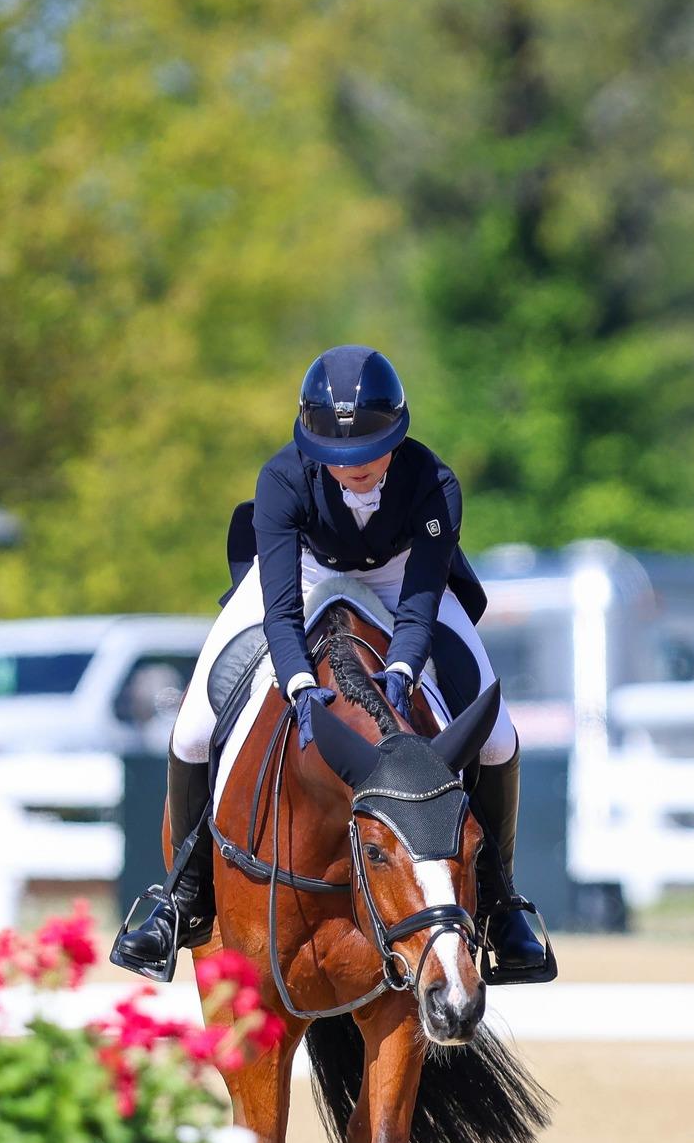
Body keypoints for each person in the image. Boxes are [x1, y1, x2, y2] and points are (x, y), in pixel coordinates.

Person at [114, 344, 556, 985]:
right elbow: (283, 608)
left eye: (369, 451)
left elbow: (422, 602)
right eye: (338, 457)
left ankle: (499, 903)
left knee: (496, 736)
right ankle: (180, 898)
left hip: (401, 572)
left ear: (398, 436)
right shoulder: (283, 479)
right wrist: (297, 680)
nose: (354, 468)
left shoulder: (434, 485)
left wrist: (402, 672)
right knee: (189, 727)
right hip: (305, 570)